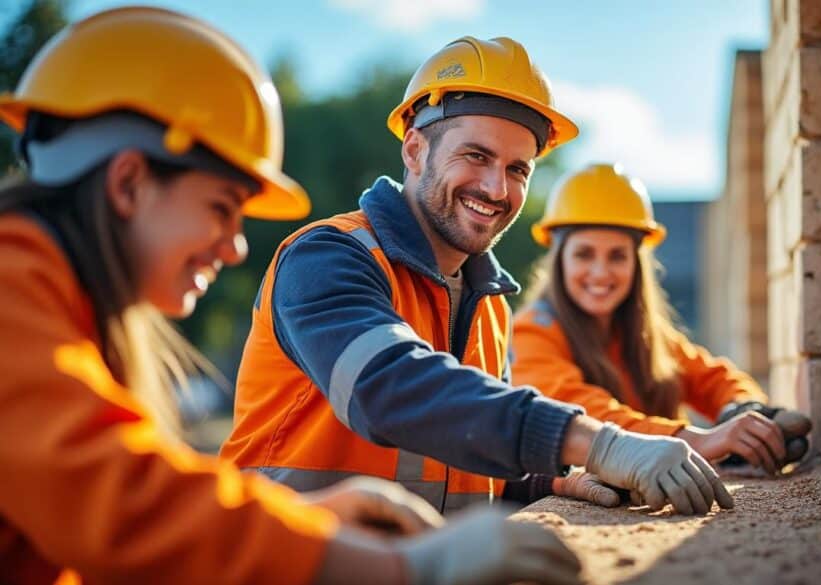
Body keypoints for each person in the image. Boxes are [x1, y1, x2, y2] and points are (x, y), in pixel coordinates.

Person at [0, 8, 587, 584]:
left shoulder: (62, 309)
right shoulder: (11, 296)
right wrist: (402, 568)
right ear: (128, 182)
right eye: (222, 208)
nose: (235, 248)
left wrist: (556, 475)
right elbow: (125, 505)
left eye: (517, 168)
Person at [221, 36, 734, 517]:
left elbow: (469, 452)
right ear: (415, 150)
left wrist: (554, 480)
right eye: (476, 155)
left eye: (517, 169)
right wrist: (601, 443)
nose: (496, 188)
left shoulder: (489, 306)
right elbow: (390, 390)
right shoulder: (328, 258)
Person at [513, 163, 812, 475]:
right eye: (584, 254)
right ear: (559, 259)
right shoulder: (532, 331)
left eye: (617, 256)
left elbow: (711, 378)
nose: (601, 272)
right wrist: (696, 441)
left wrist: (744, 410)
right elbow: (581, 416)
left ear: (637, 264)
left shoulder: (644, 335)